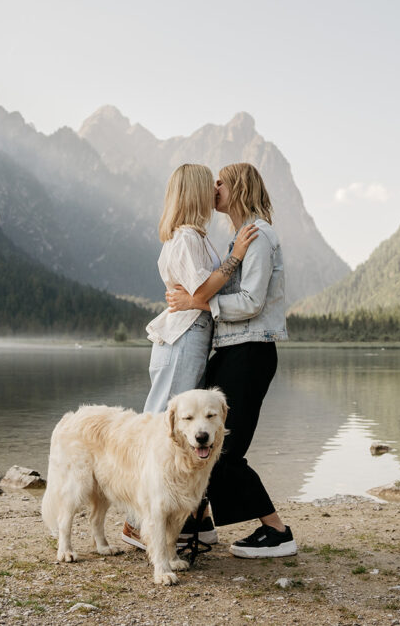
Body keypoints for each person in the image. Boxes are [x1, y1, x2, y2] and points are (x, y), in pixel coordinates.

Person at [120, 163, 258, 551]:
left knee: (170, 433)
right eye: (209, 185)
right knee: (159, 433)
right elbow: (203, 289)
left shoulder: (195, 237)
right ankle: (137, 524)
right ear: (195, 193)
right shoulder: (185, 238)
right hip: (182, 340)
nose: (216, 190)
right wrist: (237, 255)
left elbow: (199, 293)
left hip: (189, 338)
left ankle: (176, 521)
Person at [166, 162, 296, 558]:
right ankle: (200, 525)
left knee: (225, 448)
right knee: (208, 442)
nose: (214, 187)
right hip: (235, 349)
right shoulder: (240, 236)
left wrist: (199, 301)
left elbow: (253, 301)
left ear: (238, 188)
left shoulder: (257, 236)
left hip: (252, 351)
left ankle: (277, 531)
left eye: (221, 182)